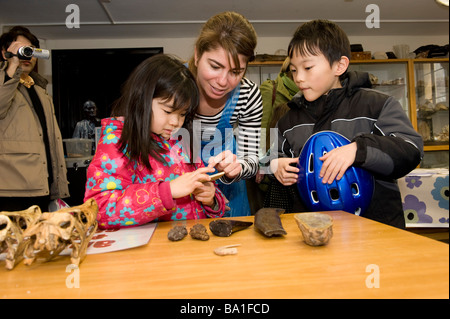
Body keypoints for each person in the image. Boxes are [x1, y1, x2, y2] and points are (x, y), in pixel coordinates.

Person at [269, 20, 424, 228]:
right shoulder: (286, 118)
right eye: (294, 70)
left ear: (339, 65)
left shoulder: (377, 104)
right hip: (311, 231)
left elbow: (412, 150)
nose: (299, 78)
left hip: (377, 230)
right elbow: (263, 157)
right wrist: (272, 165)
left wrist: (358, 150)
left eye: (307, 67)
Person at [84, 54, 226, 229]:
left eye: (182, 114)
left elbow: (202, 195)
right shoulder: (118, 141)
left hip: (189, 245)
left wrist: (211, 199)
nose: (176, 122)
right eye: (167, 111)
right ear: (142, 100)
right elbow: (100, 210)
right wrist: (168, 192)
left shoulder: (180, 139)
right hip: (150, 252)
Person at [187, 11, 263, 217]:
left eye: (235, 72)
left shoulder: (247, 94)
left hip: (229, 186)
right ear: (197, 55)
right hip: (178, 176)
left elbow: (252, 157)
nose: (222, 81)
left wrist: (236, 167)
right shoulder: (173, 86)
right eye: (215, 66)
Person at [0, 26, 69, 212]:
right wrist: (12, 64)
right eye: (22, 50)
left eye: (30, 51)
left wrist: (58, 184)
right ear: (5, 52)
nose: (26, 56)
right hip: (11, 190)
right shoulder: (4, 83)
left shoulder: (39, 90)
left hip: (41, 186)